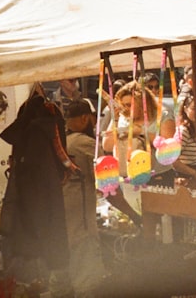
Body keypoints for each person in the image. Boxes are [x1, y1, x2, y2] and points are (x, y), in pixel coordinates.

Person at [62, 99, 140, 297]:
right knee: (86, 284)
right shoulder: (87, 145)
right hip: (80, 227)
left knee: (61, 283)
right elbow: (110, 190)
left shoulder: (60, 141)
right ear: (84, 118)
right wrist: (133, 214)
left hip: (58, 226)